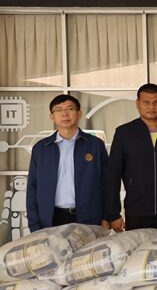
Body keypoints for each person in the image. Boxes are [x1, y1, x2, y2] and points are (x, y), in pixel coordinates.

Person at [104, 83, 157, 231]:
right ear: (137, 104)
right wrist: (113, 214)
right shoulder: (124, 133)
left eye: (156, 102)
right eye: (146, 102)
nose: (151, 107)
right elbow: (113, 175)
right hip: (137, 212)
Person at [26, 95, 109, 231]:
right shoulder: (41, 148)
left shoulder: (95, 145)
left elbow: (107, 183)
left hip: (89, 218)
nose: (64, 114)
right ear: (52, 117)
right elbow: (32, 187)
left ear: (79, 114)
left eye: (70, 109)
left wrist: (106, 217)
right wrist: (34, 224)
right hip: (51, 219)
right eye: (58, 110)